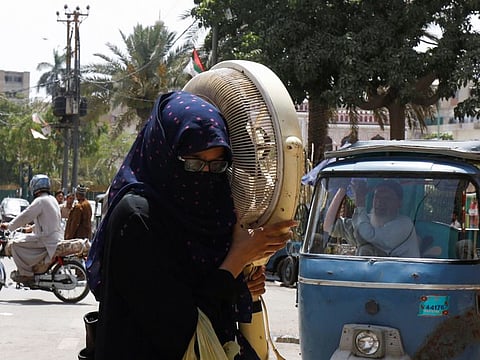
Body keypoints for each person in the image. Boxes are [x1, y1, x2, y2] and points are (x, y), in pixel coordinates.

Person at [88, 91, 296, 360]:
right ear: (164, 155)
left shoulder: (209, 215)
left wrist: (240, 282)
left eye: (217, 165)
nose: (205, 177)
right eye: (194, 164)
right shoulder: (137, 218)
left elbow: (206, 288)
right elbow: (179, 331)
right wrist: (236, 259)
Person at [324, 179, 419, 257]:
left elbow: (367, 237)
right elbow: (329, 226)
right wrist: (342, 189)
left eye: (387, 198)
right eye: (377, 197)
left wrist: (360, 202)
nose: (380, 202)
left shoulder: (404, 225)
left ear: (399, 203)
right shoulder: (366, 220)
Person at [0, 174, 63, 283]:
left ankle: (26, 274)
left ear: (35, 186)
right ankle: (35, 268)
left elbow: (25, 216)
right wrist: (29, 229)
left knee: (14, 244)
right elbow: (48, 220)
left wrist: (9, 226)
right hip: (53, 236)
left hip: (46, 239)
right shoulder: (51, 199)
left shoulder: (40, 201)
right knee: (21, 237)